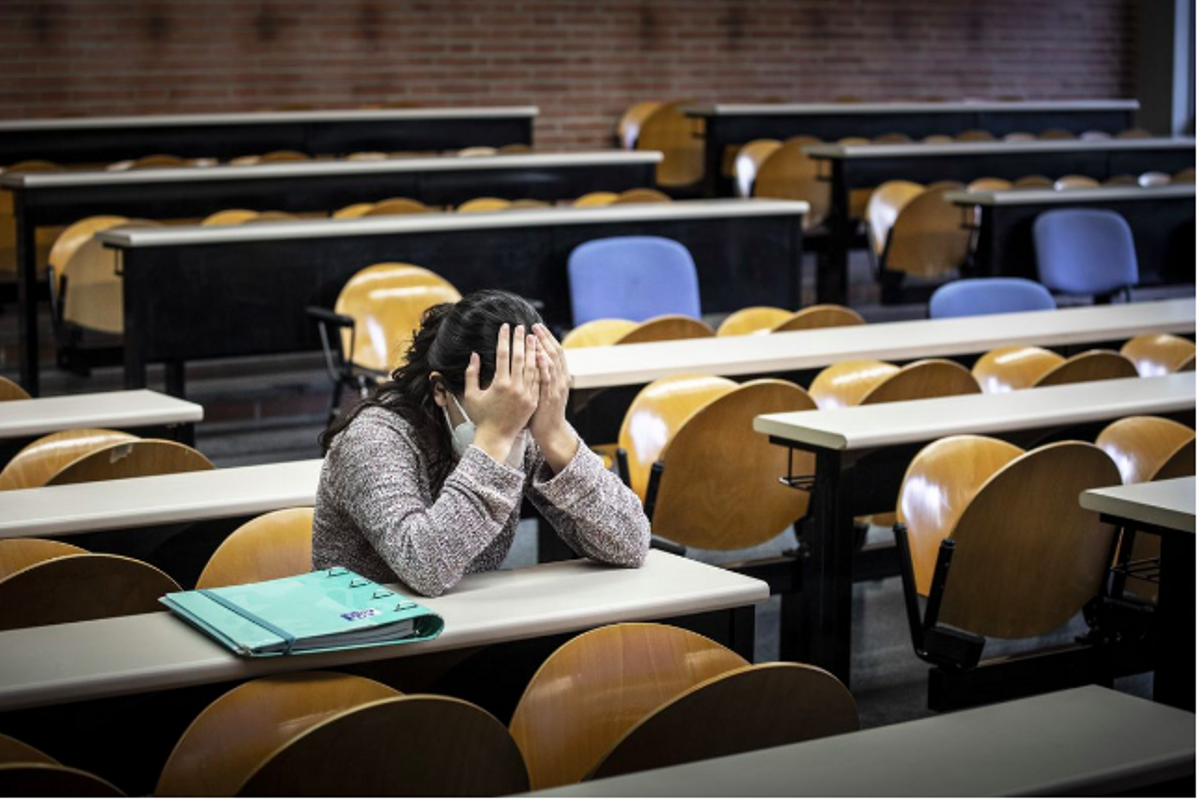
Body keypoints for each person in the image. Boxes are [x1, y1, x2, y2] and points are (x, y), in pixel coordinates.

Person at [313, 289, 651, 596]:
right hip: (369, 644)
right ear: (441, 390)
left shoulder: (521, 420)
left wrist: (556, 434)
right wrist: (494, 440)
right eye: (497, 411)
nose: (516, 425)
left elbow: (630, 543)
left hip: (469, 632)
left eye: (523, 405)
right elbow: (425, 568)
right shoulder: (373, 439)